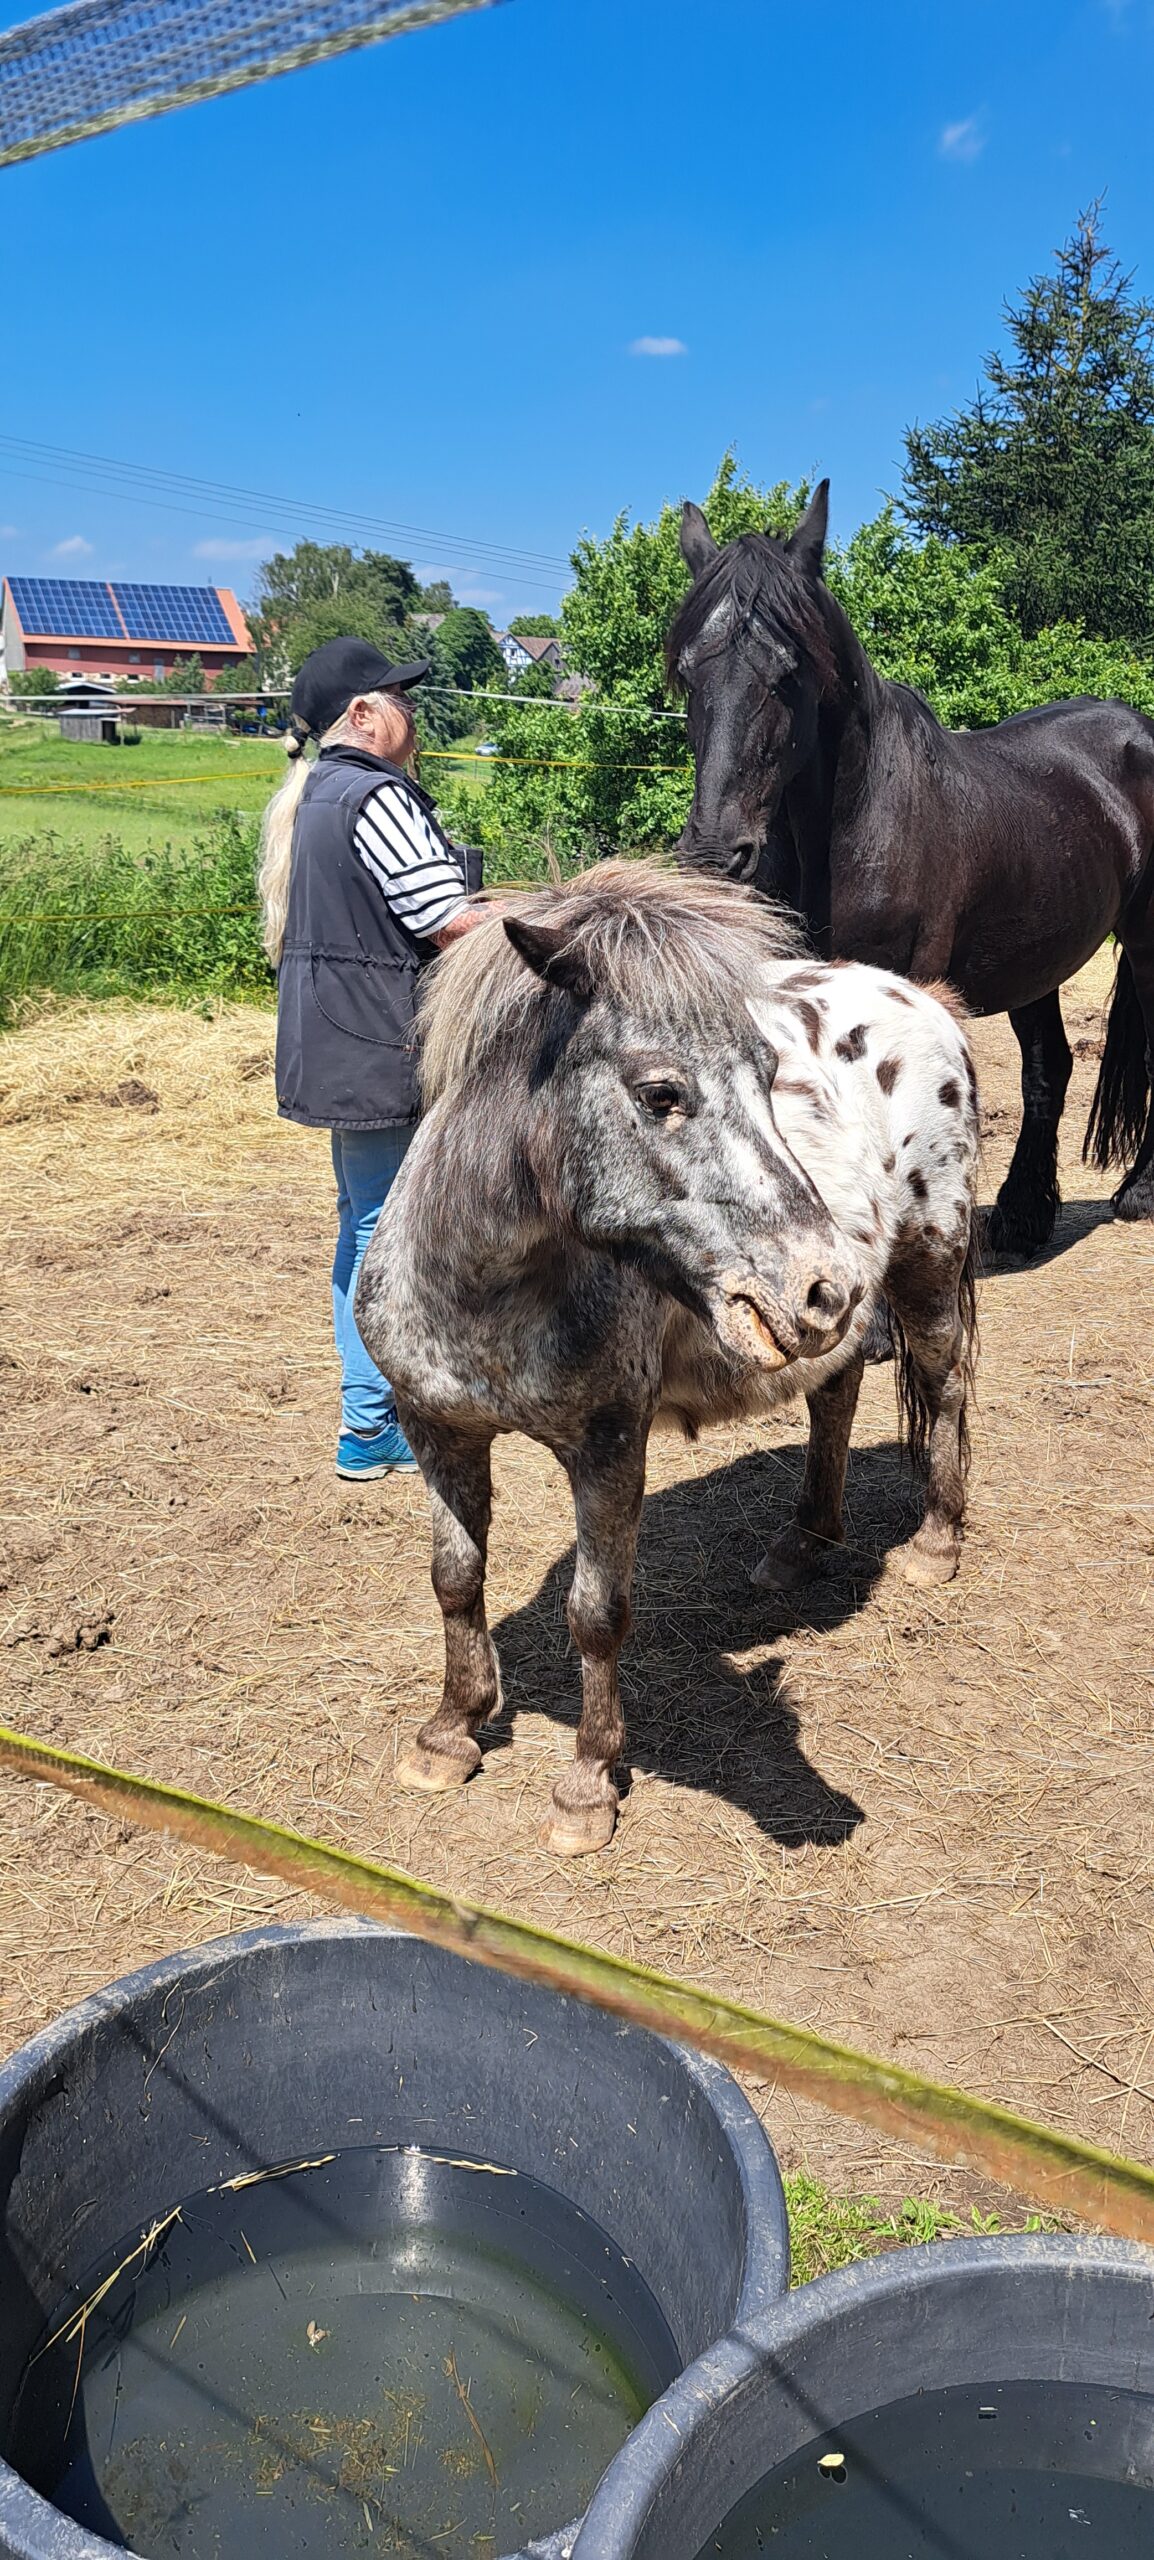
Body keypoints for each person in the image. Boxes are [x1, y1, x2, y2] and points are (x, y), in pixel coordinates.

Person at [257, 636, 485, 1480]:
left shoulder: (318, 792)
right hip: (377, 1044)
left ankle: (367, 1415)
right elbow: (446, 920)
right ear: (363, 713)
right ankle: (373, 1423)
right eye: (401, 697)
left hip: (338, 1042)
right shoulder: (377, 796)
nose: (412, 712)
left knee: (361, 1222)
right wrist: (556, 923)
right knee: (382, 1228)